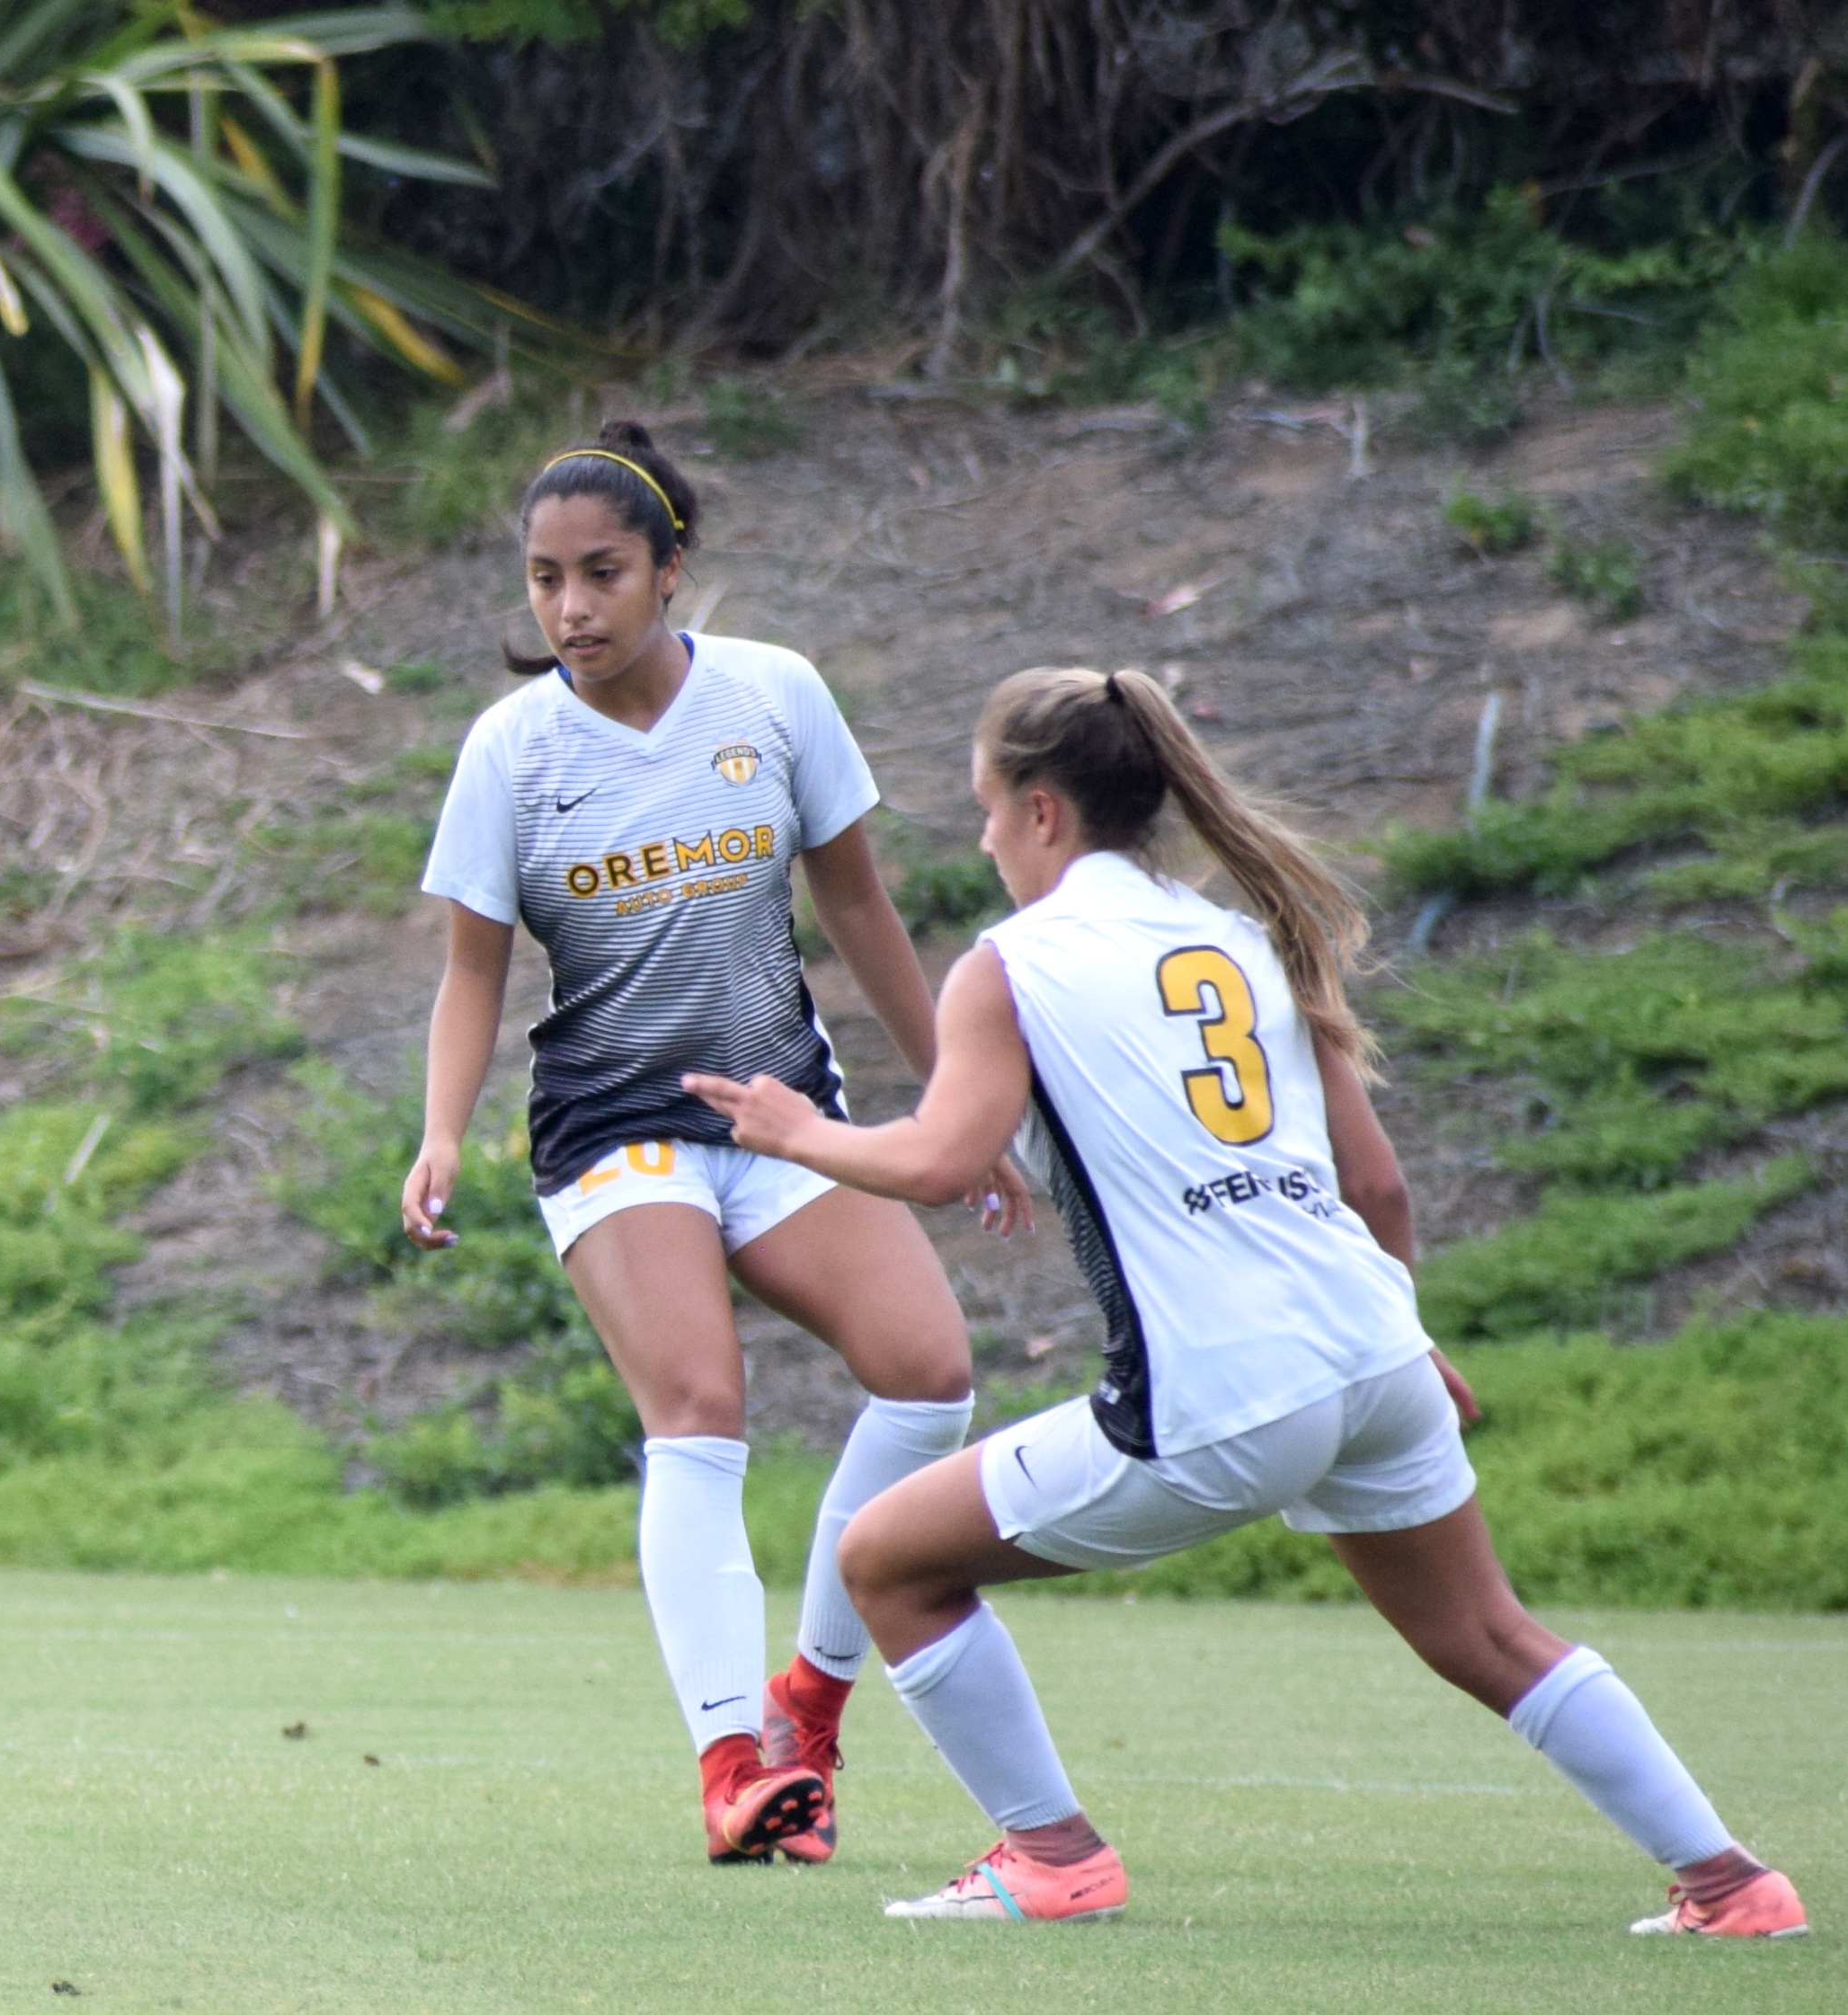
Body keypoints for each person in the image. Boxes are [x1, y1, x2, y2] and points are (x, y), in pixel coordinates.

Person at [688, 664, 1808, 1937]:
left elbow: (942, 1163)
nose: (989, 837)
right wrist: (1409, 1335)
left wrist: (794, 1131)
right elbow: (1376, 1183)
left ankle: (1051, 1856)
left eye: (989, 808)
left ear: (1045, 811)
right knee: (1491, 1633)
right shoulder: (1245, 934)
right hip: (1370, 1355)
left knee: (885, 1557)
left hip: (1220, 1393)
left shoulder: (1012, 964)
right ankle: (1733, 1882)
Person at [402, 422, 1029, 1865]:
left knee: (930, 1378)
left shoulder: (775, 697)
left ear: (671, 569)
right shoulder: (513, 750)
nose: (570, 608)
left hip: (779, 1115)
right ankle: (731, 1758)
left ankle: (808, 1696)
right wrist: (442, 1131)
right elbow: (474, 972)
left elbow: (862, 909)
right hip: (615, 1133)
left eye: (602, 573)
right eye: (546, 578)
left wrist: (955, 1102)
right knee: (700, 1407)